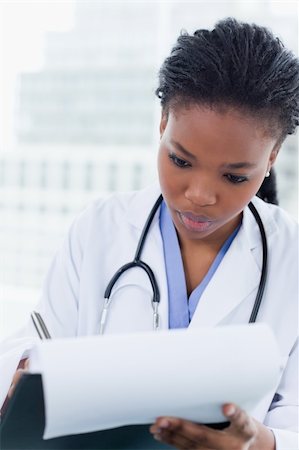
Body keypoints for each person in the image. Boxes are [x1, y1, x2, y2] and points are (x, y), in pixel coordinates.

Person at [1, 17, 298, 450]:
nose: (198, 196)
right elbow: (36, 347)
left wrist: (263, 443)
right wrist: (23, 372)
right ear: (163, 124)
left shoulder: (291, 257)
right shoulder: (99, 228)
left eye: (234, 178)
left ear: (272, 155)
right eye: (180, 161)